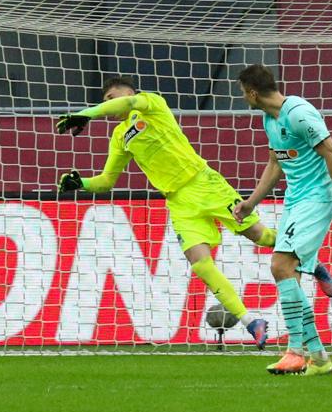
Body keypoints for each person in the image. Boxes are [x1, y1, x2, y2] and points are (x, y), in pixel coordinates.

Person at [54, 77, 272, 347]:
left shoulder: (150, 103)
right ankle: (251, 322)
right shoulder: (120, 136)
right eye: (104, 101)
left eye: (111, 97)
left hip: (204, 183)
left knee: (260, 236)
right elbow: (107, 181)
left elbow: (129, 103)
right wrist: (81, 183)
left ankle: (307, 257)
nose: (108, 104)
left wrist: (86, 113)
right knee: (200, 263)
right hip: (178, 202)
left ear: (128, 91)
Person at [235, 64, 332, 375]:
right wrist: (251, 203)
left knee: (280, 266)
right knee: (289, 277)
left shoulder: (298, 113)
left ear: (253, 92)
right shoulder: (269, 119)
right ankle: (318, 358)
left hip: (317, 198)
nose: (243, 98)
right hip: (295, 200)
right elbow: (275, 164)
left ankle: (295, 351)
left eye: (243, 93)